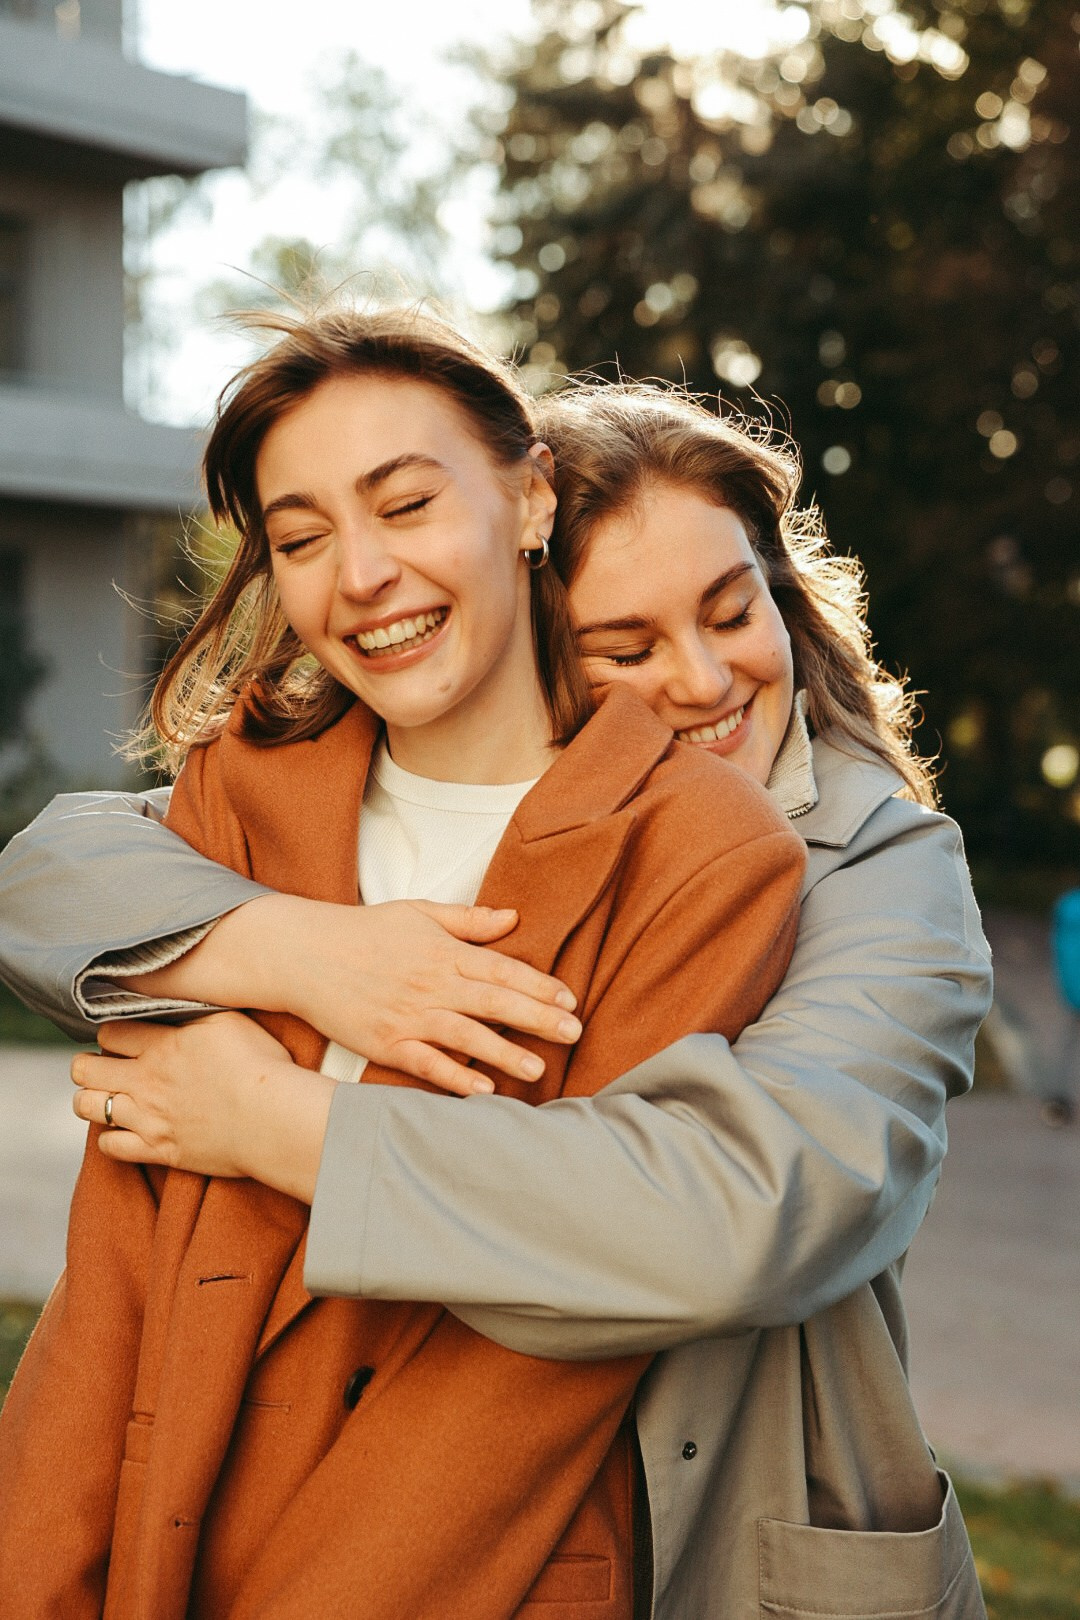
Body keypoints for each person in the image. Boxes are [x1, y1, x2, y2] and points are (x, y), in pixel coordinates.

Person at [0, 374, 993, 1619]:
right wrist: (303, 951)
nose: (702, 681)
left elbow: (757, 1202)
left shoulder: (886, 866)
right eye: (624, 649)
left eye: (735, 612)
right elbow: (51, 872)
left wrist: (273, 1123)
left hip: (740, 1540)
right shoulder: (448, 806)